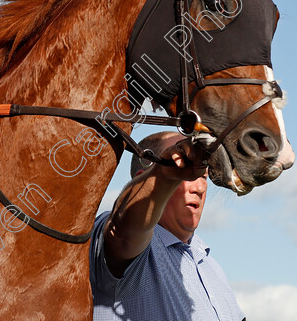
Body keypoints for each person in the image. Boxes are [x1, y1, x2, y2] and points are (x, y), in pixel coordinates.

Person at [90, 131, 246, 320]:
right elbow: (123, 233)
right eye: (185, 173)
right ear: (144, 179)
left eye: (202, 177)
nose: (199, 188)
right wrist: (163, 175)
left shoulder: (211, 267)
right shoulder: (132, 248)